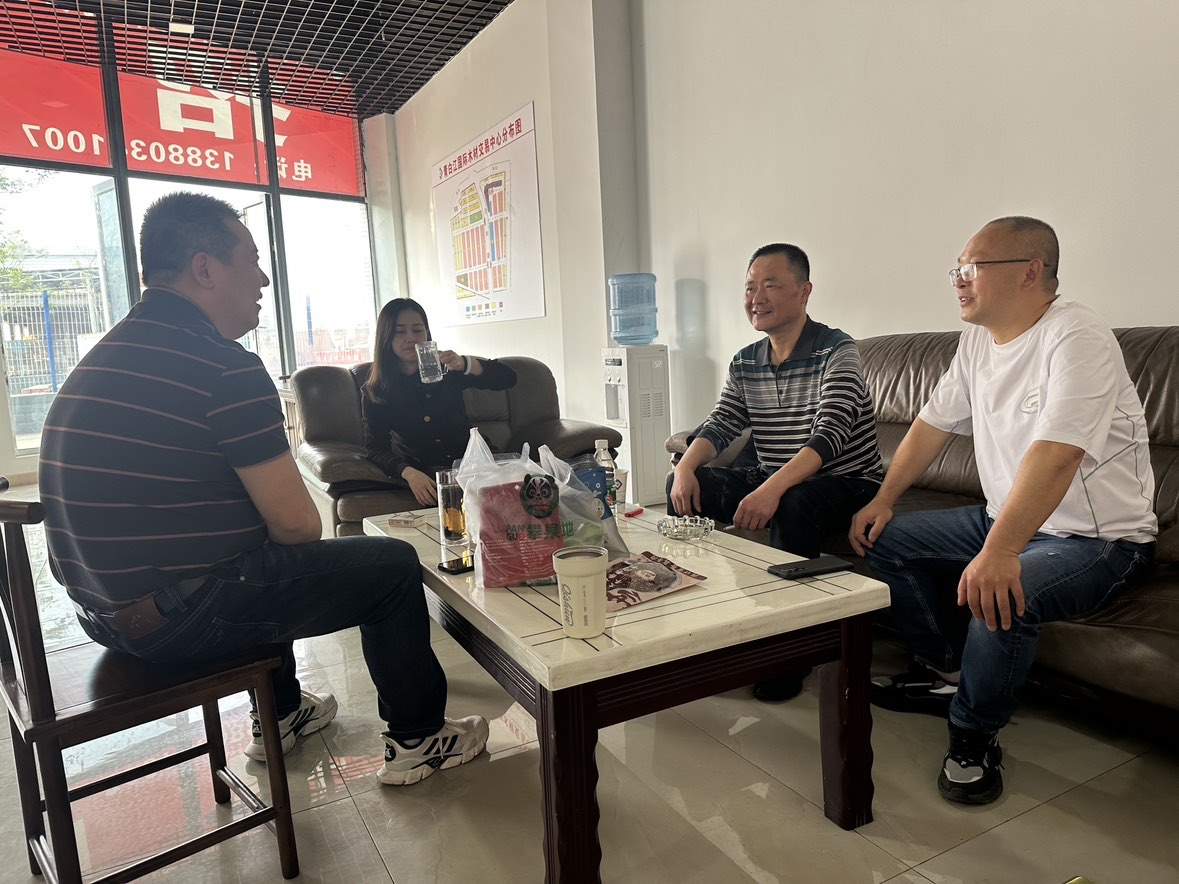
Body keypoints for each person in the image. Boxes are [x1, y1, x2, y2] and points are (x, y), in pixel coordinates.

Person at [38, 192, 488, 787]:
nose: (263, 279)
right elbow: (299, 527)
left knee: (256, 554)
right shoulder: (221, 365)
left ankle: (281, 712)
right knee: (390, 566)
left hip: (99, 615)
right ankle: (419, 738)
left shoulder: (101, 360)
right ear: (205, 269)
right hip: (178, 620)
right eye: (251, 259)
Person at [849, 216, 1156, 805]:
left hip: (1096, 540)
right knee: (884, 540)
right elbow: (930, 425)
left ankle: (973, 733)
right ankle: (948, 672)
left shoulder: (1078, 335)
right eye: (956, 270)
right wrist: (883, 499)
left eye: (972, 268)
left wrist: (1002, 550)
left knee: (1002, 587)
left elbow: (1059, 452)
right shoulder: (975, 343)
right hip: (1001, 518)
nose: (959, 281)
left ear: (1030, 272)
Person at [667, 243, 884, 701]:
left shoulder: (837, 351)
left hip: (847, 482)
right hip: (777, 476)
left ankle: (791, 653)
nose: (756, 298)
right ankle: (701, 624)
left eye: (770, 285)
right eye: (750, 287)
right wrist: (685, 465)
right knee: (686, 486)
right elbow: (722, 422)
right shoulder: (746, 361)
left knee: (793, 500)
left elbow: (830, 434)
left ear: (804, 292)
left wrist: (771, 489)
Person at [361, 297, 517, 505]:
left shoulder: (449, 368)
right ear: (385, 337)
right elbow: (375, 448)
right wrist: (408, 473)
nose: (410, 338)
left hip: (475, 463)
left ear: (427, 333)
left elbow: (508, 378)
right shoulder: (377, 390)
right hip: (426, 472)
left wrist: (465, 363)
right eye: (400, 331)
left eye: (418, 330)